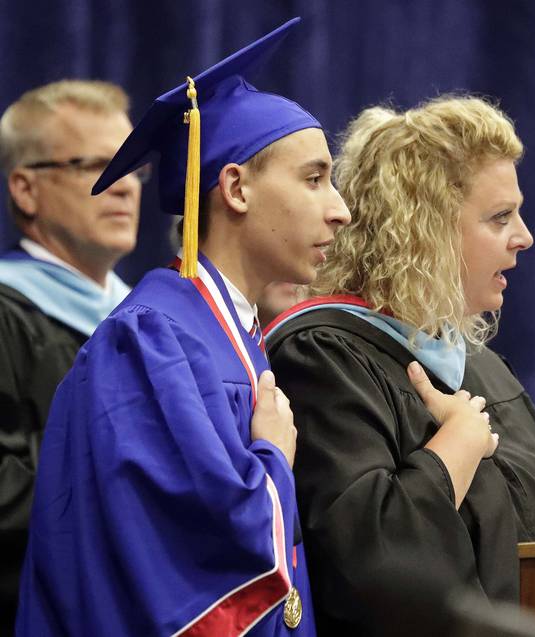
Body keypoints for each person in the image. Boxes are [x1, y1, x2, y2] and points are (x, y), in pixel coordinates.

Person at [16, 18, 349, 636]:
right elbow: (185, 554)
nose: (340, 208)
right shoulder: (150, 341)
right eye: (314, 178)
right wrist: (274, 456)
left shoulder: (230, 337)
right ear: (236, 188)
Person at [264, 97, 535, 635]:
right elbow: (367, 569)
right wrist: (452, 451)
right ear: (425, 229)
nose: (524, 236)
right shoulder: (322, 359)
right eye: (500, 217)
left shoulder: (480, 368)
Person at [0, 79, 143, 630]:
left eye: (132, 167)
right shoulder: (10, 315)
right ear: (25, 189)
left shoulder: (145, 320)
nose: (126, 187)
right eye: (96, 166)